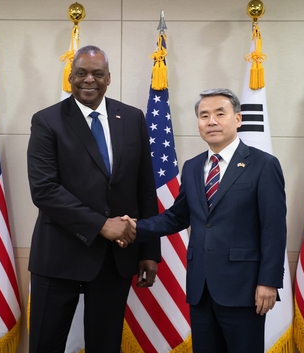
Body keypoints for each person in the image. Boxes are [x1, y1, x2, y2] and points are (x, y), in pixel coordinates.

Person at [121, 88, 287, 353]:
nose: (211, 121)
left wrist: (268, 282)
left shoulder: (263, 165)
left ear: (238, 119)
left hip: (243, 289)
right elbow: (177, 216)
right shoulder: (193, 166)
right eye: (204, 115)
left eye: (220, 114)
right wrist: (134, 228)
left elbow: (274, 229)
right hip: (200, 288)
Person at [26, 45, 160, 353]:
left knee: (106, 346)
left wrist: (149, 250)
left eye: (97, 74)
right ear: (70, 77)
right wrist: (101, 225)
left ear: (108, 78)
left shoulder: (132, 118)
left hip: (115, 260)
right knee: (46, 345)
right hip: (58, 256)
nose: (89, 80)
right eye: (82, 73)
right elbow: (44, 189)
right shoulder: (47, 121)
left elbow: (144, 187)